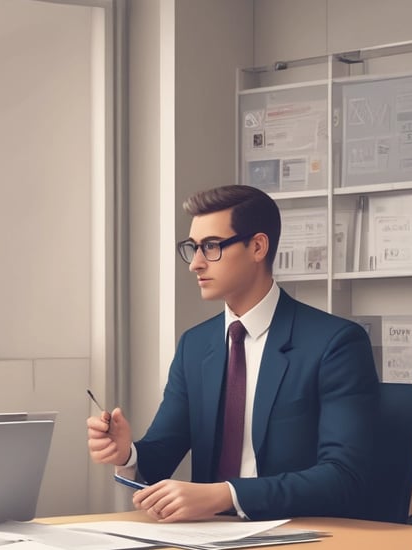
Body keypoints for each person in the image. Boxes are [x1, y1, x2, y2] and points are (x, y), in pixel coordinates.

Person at [87, 185, 379, 522]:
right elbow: (161, 454)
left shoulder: (335, 344)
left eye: (210, 247)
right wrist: (127, 453)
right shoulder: (195, 346)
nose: (195, 264)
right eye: (192, 248)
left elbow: (343, 477)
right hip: (206, 537)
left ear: (257, 246)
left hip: (296, 532)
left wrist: (225, 495)